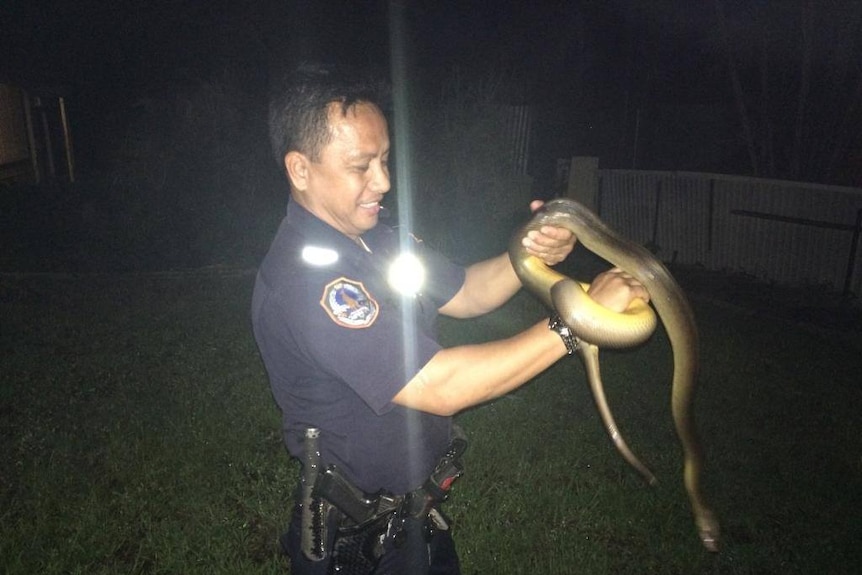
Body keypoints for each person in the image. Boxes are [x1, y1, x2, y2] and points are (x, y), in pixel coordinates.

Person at [251, 65, 649, 575]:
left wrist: (529, 251)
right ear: (300, 170)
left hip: (417, 525)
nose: (384, 181)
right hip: (352, 552)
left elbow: (465, 291)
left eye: (386, 159)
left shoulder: (379, 240)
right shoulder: (306, 282)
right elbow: (441, 385)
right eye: (361, 166)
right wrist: (579, 321)